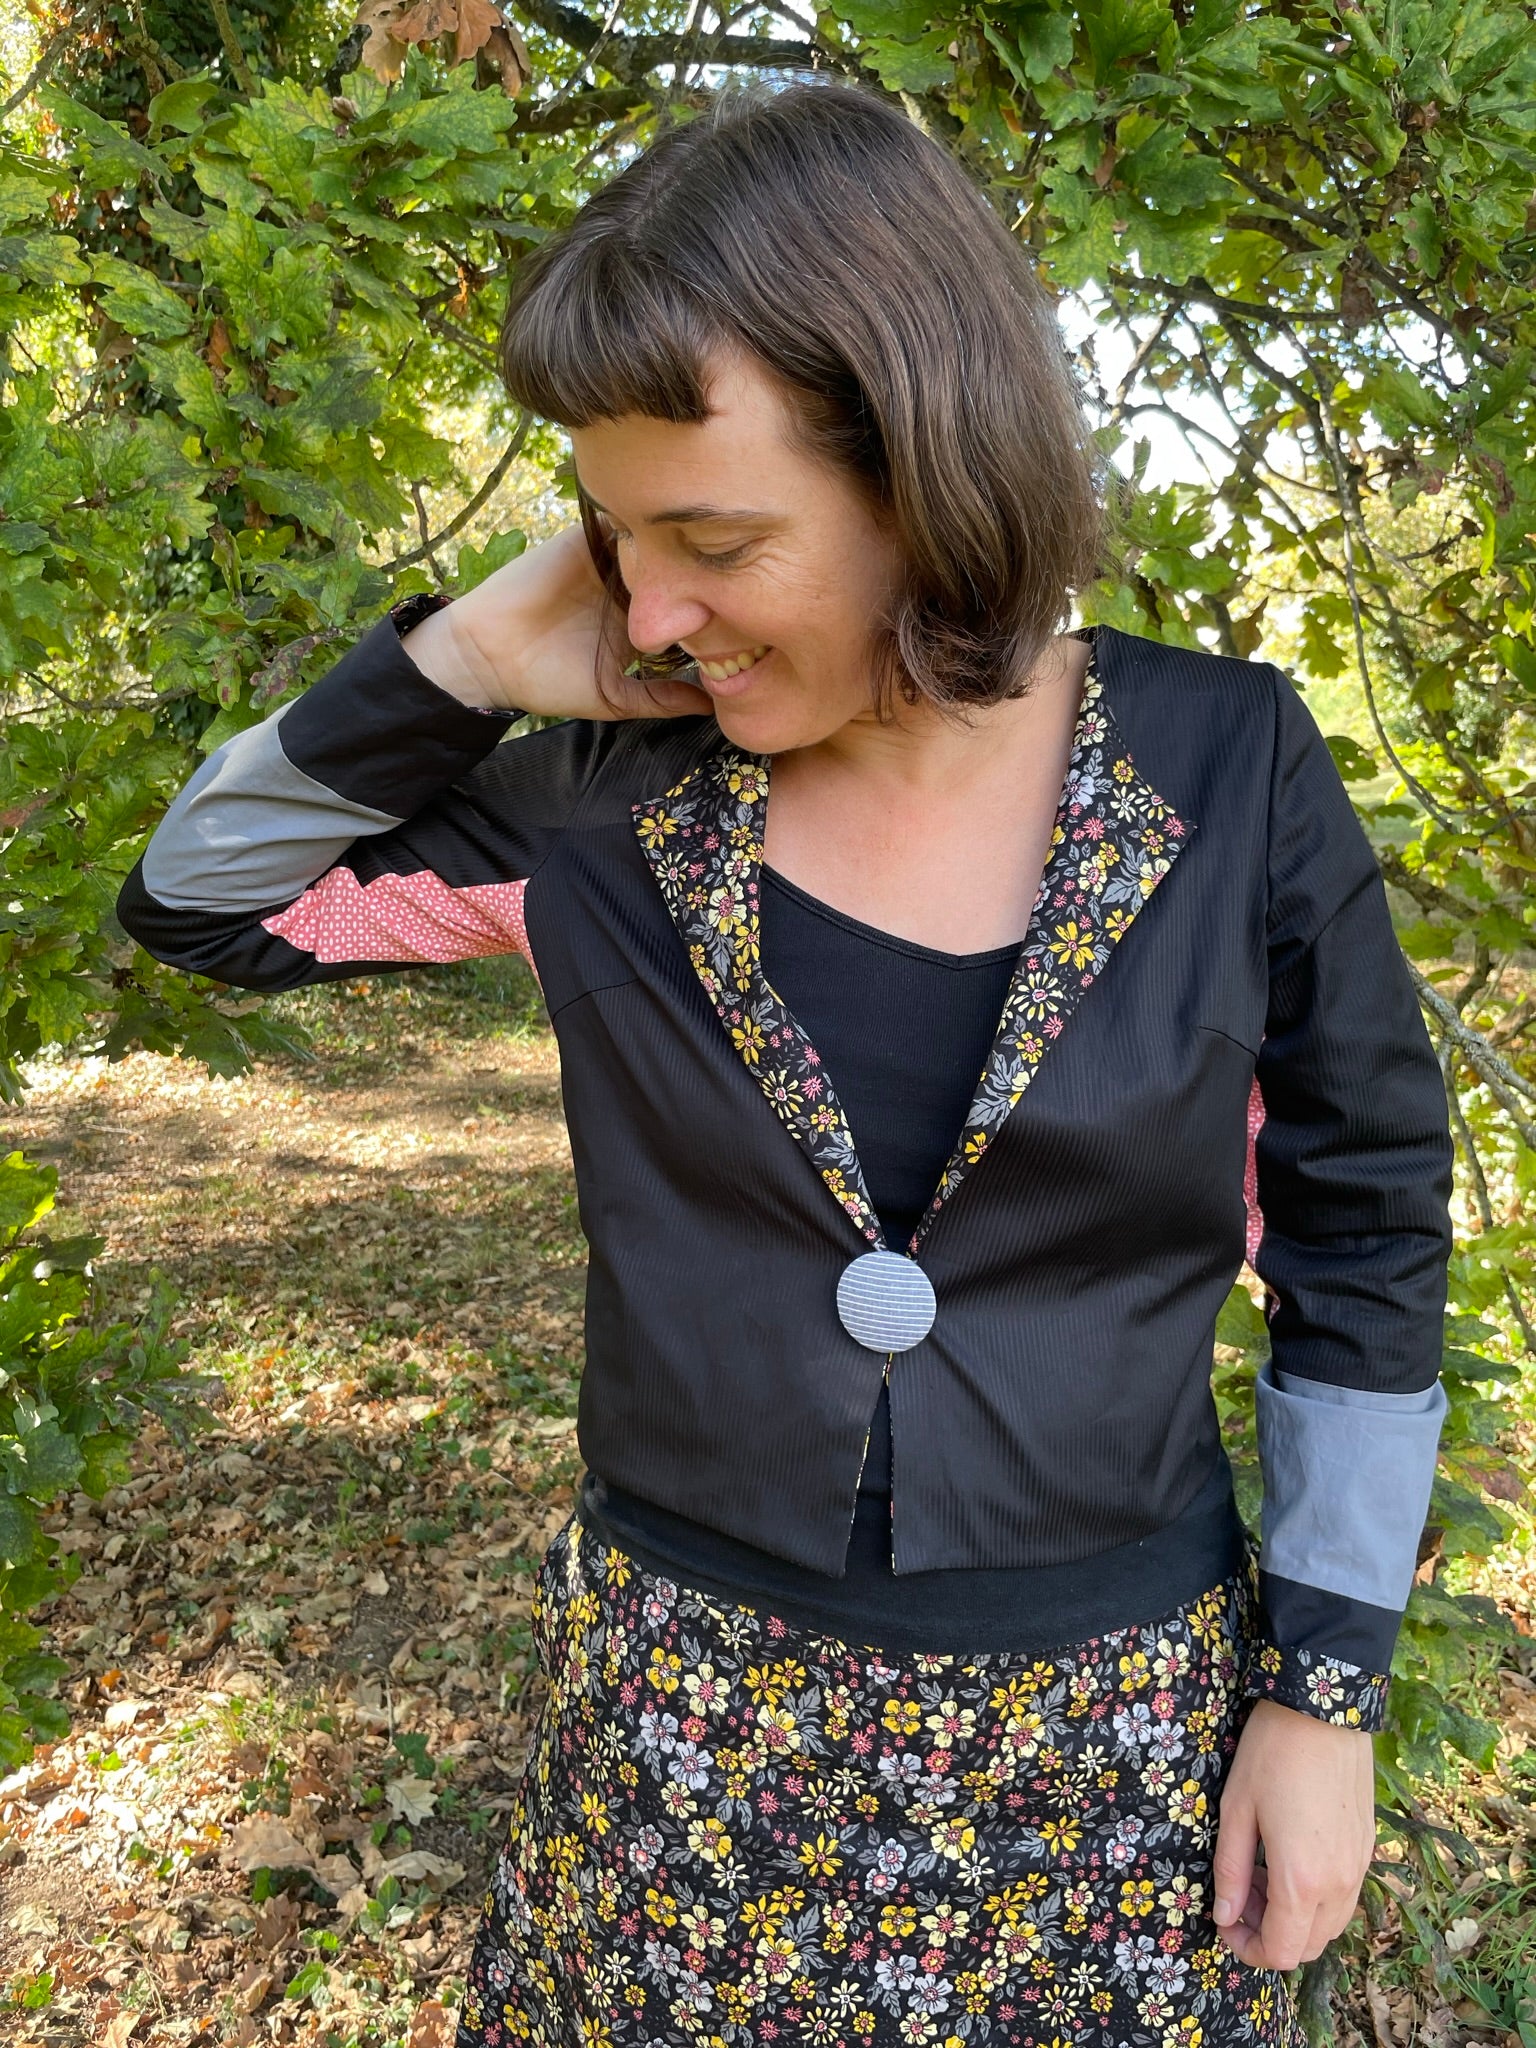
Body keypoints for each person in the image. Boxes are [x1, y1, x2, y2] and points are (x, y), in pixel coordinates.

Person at [118, 77, 1454, 2048]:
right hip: (674, 1745)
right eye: (613, 537)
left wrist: (1322, 1696)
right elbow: (207, 904)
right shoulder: (603, 809)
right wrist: (467, 663)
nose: (656, 611)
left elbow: (1364, 1233)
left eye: (715, 538)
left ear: (928, 471)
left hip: (1107, 1751)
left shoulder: (1227, 774)